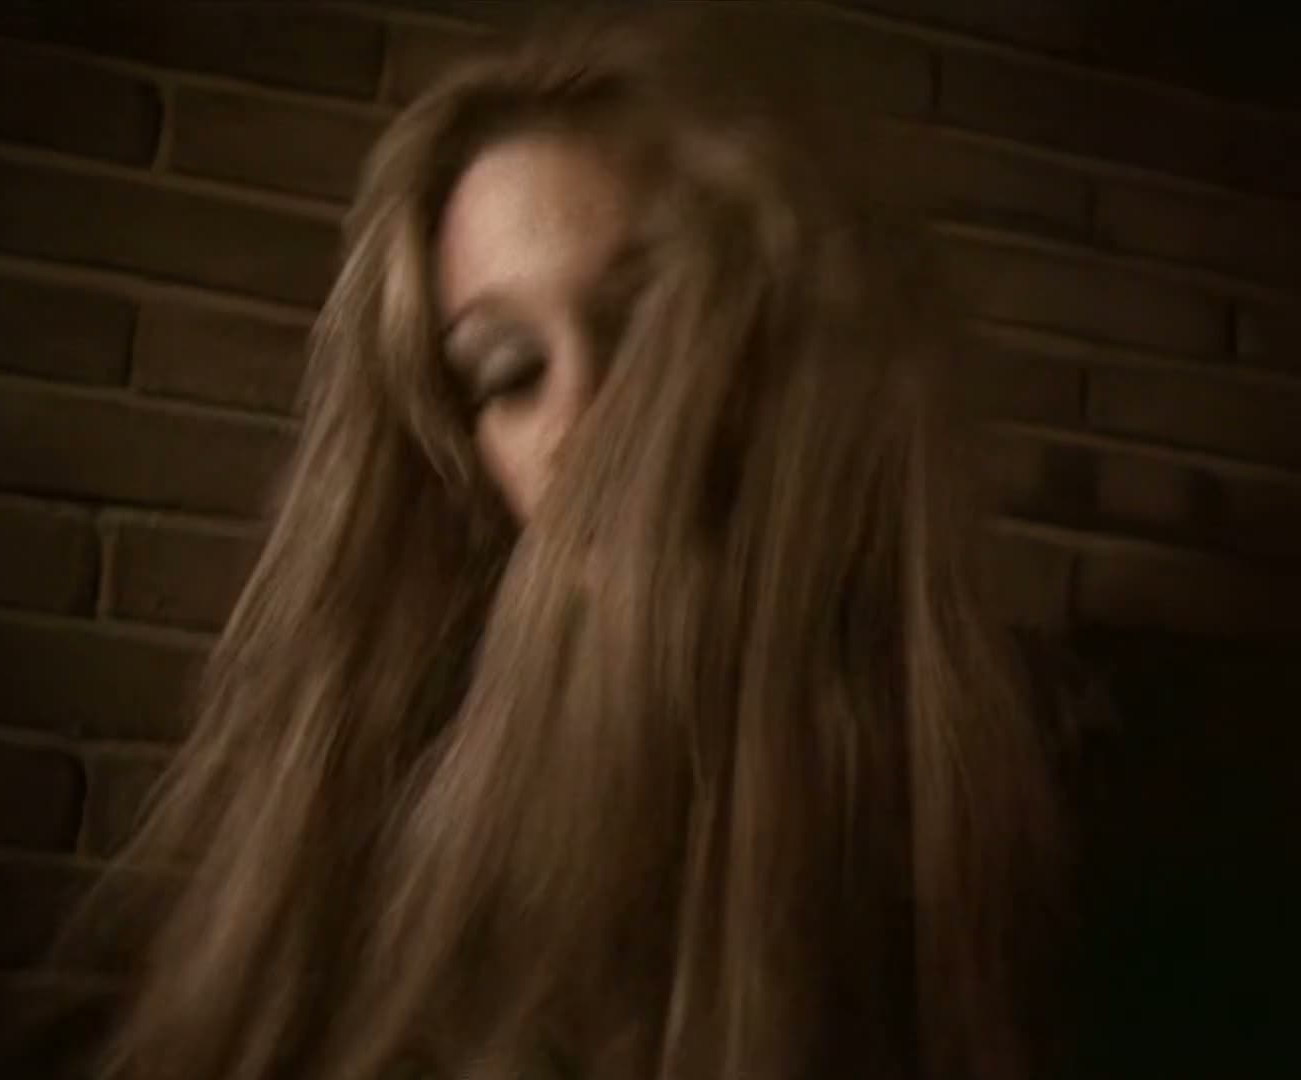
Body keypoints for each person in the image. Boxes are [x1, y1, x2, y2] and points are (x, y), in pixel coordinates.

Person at [75, 8, 1079, 1079]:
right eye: (507, 372)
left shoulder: (1017, 836)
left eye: (651, 329)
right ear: (465, 466)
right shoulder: (371, 856)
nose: (584, 420)